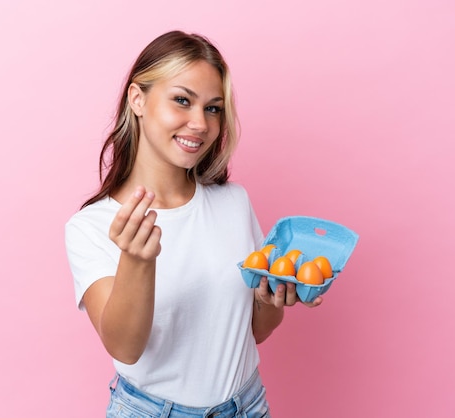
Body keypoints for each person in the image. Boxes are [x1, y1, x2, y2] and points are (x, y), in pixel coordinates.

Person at [65, 30, 322, 418]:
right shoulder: (91, 226)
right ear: (138, 99)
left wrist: (271, 300)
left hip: (247, 406)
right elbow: (125, 348)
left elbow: (255, 330)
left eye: (213, 108)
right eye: (182, 101)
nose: (200, 124)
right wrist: (137, 261)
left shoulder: (233, 202)